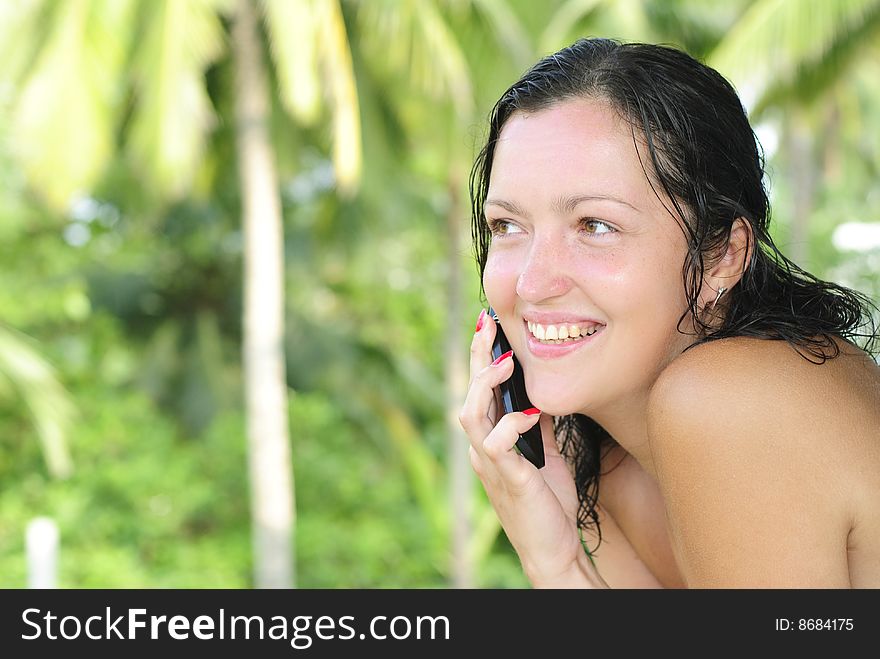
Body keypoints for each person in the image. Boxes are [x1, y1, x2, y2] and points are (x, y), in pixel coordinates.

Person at [458, 37, 880, 588]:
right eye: (507, 226)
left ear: (721, 258)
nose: (532, 283)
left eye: (595, 226)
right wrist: (555, 559)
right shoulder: (604, 452)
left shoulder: (729, 401)